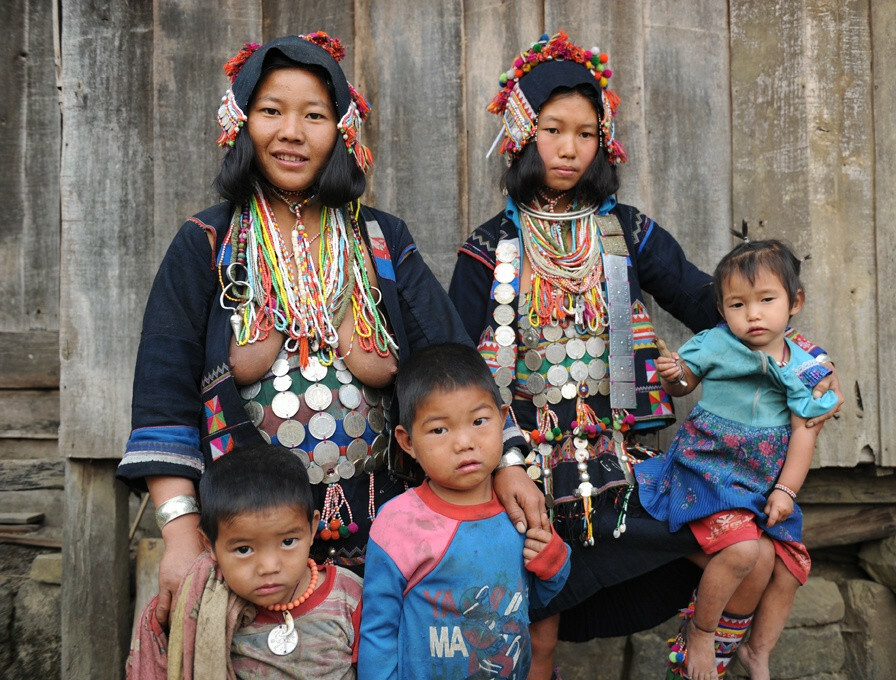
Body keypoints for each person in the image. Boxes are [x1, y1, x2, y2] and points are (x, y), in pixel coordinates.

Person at [449, 31, 844, 679]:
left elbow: (706, 303)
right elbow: (459, 370)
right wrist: (503, 466)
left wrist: (792, 362)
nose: (570, 148)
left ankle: (702, 656)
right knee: (535, 638)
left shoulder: (625, 231)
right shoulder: (489, 248)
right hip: (524, 475)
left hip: (620, 465)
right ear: (523, 131)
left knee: (751, 549)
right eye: (553, 129)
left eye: (585, 132)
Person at [116, 31, 538, 630]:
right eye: (271, 112)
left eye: (313, 115)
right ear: (240, 122)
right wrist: (182, 533)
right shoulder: (206, 243)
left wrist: (511, 461)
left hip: (385, 524)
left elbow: (454, 361)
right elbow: (163, 388)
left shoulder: (382, 241)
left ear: (341, 129)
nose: (292, 132)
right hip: (251, 540)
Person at [634, 240, 837, 679]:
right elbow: (683, 384)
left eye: (767, 300)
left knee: (790, 565)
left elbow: (805, 433)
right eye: (737, 304)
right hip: (708, 471)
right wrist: (675, 376)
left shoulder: (806, 368)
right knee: (745, 551)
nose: (753, 314)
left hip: (761, 484)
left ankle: (758, 651)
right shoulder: (714, 344)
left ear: (794, 302)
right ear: (723, 310)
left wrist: (786, 490)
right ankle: (702, 632)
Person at [358, 343, 571, 679]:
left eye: (479, 421)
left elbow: (534, 599)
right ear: (407, 441)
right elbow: (378, 629)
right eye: (439, 429)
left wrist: (553, 562)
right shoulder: (398, 522)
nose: (464, 443)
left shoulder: (517, 511)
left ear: (502, 420)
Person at [126, 443, 362, 679]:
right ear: (210, 545)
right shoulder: (204, 605)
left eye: (288, 542)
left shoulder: (348, 598)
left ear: (311, 529)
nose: (269, 567)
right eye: (244, 549)